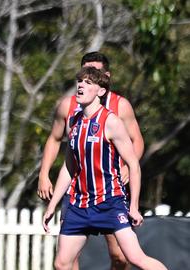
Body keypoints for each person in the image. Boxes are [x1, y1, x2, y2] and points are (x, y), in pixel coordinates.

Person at [42, 66, 166, 270]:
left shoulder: (111, 122)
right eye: (79, 81)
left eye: (88, 82)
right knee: (61, 264)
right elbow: (69, 166)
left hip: (109, 202)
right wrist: (52, 205)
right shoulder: (74, 121)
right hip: (78, 205)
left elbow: (134, 166)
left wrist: (133, 206)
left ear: (101, 91)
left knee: (136, 259)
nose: (81, 85)